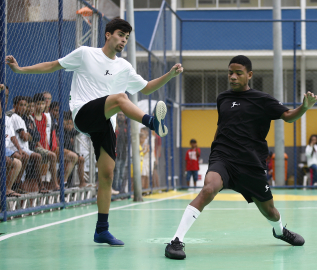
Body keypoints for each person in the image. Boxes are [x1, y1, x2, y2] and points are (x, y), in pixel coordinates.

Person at [5, 17, 183, 246]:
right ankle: (152, 123)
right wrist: (20, 70)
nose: (123, 41)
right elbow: (53, 65)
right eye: (120, 35)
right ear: (108, 34)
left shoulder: (124, 67)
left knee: (107, 175)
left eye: (127, 38)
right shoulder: (85, 54)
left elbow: (147, 87)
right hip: (83, 114)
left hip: (106, 122)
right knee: (121, 98)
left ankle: (102, 230)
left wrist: (169, 75)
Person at [165, 55, 317, 260]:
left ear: (249, 75)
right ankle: (176, 241)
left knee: (270, 211)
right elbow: (222, 126)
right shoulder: (223, 98)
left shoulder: (263, 100)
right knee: (209, 188)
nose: (233, 77)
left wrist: (304, 107)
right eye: (230, 73)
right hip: (223, 157)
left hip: (251, 162)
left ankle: (280, 232)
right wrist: (215, 154)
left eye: (238, 73)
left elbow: (288, 116)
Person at [32, 93, 59, 191]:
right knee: (51, 156)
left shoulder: (45, 117)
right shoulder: (32, 117)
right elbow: (34, 136)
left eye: (43, 104)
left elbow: (45, 135)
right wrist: (42, 148)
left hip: (44, 146)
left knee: (50, 155)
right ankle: (48, 185)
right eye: (38, 104)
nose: (41, 106)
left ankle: (53, 183)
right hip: (35, 146)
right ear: (34, 104)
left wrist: (46, 148)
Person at [63, 112, 88, 188]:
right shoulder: (58, 128)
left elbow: (77, 130)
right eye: (67, 123)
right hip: (62, 151)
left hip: (70, 151)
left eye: (71, 123)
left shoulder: (70, 131)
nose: (69, 125)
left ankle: (82, 183)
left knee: (81, 159)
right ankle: (64, 182)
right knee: (72, 157)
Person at [113, 112, 128, 192]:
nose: (121, 116)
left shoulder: (126, 127)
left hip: (123, 154)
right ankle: (115, 189)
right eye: (119, 115)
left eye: (122, 115)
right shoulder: (115, 126)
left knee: (121, 174)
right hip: (116, 153)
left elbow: (127, 141)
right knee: (117, 172)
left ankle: (120, 190)